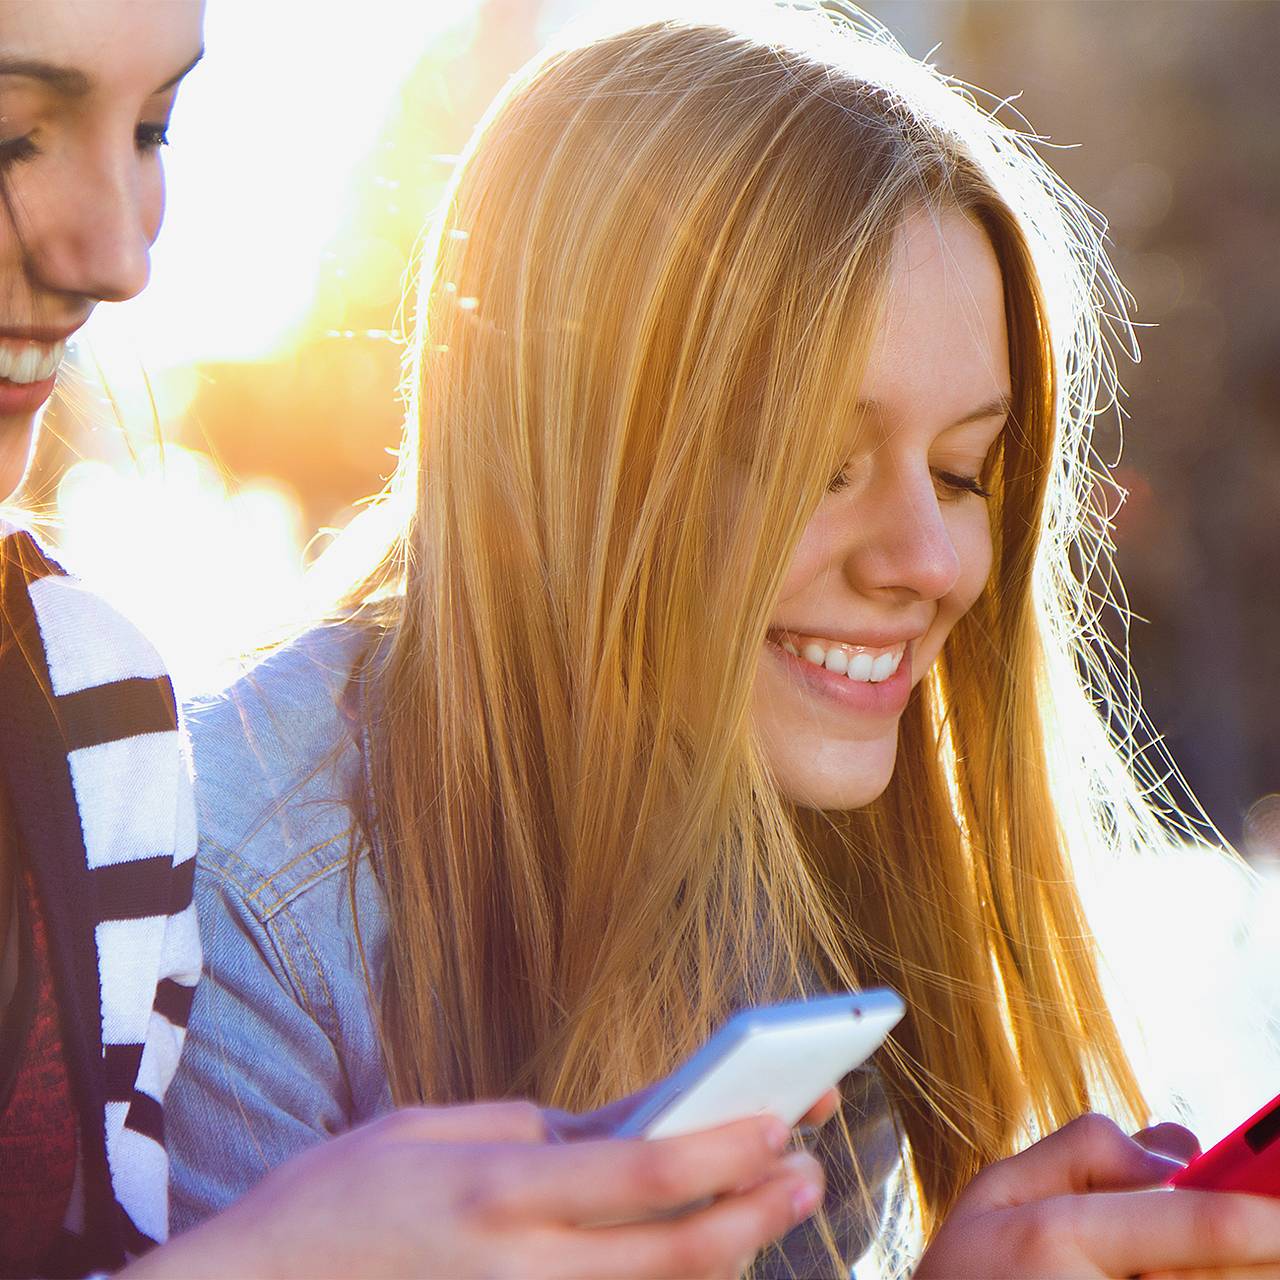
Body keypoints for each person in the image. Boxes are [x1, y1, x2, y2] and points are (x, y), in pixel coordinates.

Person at [164, 5, 1280, 1278]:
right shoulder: (247, 898)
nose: (924, 561)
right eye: (820, 461)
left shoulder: (807, 833)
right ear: (564, 452)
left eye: (964, 470)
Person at [0, 3, 826, 1277]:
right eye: (12, 134)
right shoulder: (260, 861)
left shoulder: (90, 717)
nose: (116, 254)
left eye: (155, 126)